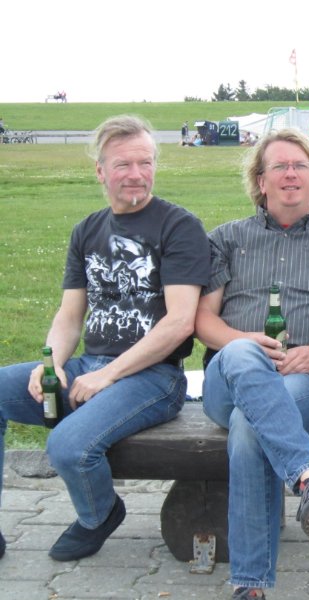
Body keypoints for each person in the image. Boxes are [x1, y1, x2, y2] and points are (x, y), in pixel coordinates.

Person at [0, 115, 211, 562]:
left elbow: (179, 323)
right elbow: (69, 315)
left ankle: (99, 514)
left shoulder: (178, 226)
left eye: (145, 162)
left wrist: (109, 375)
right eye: (123, 165)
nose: (136, 174)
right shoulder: (87, 230)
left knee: (67, 446)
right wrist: (52, 363)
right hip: (89, 368)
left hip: (153, 378)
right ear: (100, 170)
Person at [195, 128, 309, 600]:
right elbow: (203, 320)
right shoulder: (227, 239)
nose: (290, 174)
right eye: (279, 166)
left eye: (300, 166)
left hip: (302, 380)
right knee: (240, 354)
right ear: (260, 180)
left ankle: (249, 586)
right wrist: (244, 342)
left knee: (249, 426)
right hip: (228, 380)